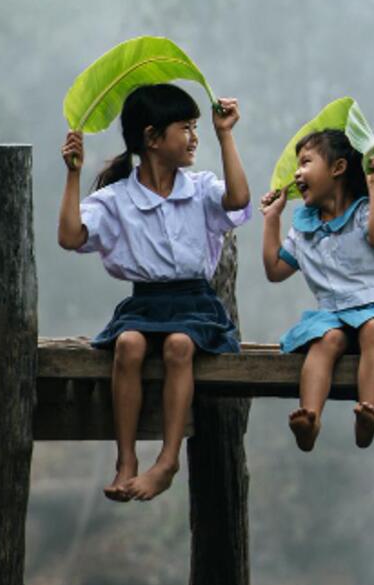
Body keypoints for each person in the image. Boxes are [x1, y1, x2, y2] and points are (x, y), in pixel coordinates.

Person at [56, 83, 250, 502]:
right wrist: (73, 174)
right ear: (152, 138)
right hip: (143, 303)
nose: (193, 136)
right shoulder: (117, 198)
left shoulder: (199, 187)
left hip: (196, 304)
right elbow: (71, 237)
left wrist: (225, 134)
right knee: (128, 345)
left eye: (196, 127)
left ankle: (167, 460)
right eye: (186, 127)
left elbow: (239, 200)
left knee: (180, 347)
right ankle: (126, 460)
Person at [261, 128, 374, 451]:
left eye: (305, 162)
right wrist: (271, 220)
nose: (297, 174)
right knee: (325, 340)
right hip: (333, 317)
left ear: (338, 168)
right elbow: (275, 271)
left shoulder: (367, 212)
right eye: (297, 166)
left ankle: (368, 413)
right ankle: (311, 418)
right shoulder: (304, 227)